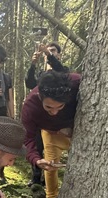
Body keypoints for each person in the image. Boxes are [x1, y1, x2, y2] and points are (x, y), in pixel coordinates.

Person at [21, 71, 81, 198]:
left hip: (79, 132)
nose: (54, 112)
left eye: (59, 107)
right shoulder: (30, 107)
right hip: (51, 134)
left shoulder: (76, 82)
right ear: (40, 97)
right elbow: (27, 140)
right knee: (51, 164)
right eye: (48, 107)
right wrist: (36, 159)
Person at [25, 42, 69, 187]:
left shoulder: (64, 75)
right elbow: (30, 83)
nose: (50, 52)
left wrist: (48, 55)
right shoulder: (41, 75)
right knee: (38, 146)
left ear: (58, 54)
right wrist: (33, 63)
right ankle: (36, 178)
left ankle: (48, 182)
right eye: (49, 51)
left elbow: (61, 70)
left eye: (53, 51)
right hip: (41, 121)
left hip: (63, 126)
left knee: (54, 155)